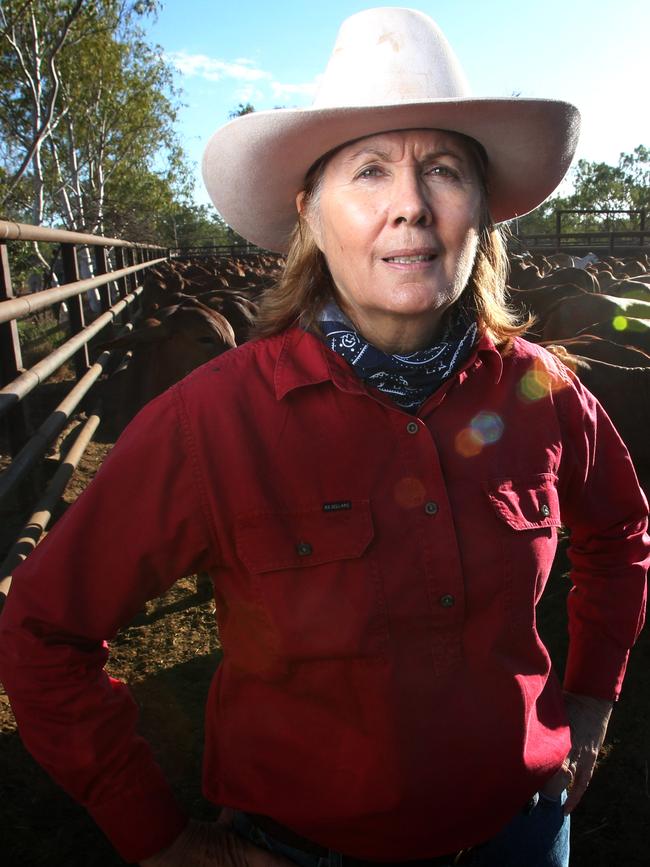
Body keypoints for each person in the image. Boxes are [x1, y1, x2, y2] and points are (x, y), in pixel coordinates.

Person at [0, 8, 647, 867]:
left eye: (444, 171)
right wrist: (159, 839)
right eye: (369, 172)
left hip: (523, 831)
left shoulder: (545, 392)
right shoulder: (211, 421)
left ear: (481, 212)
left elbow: (621, 532)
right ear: (312, 213)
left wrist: (593, 700)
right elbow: (43, 630)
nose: (410, 206)